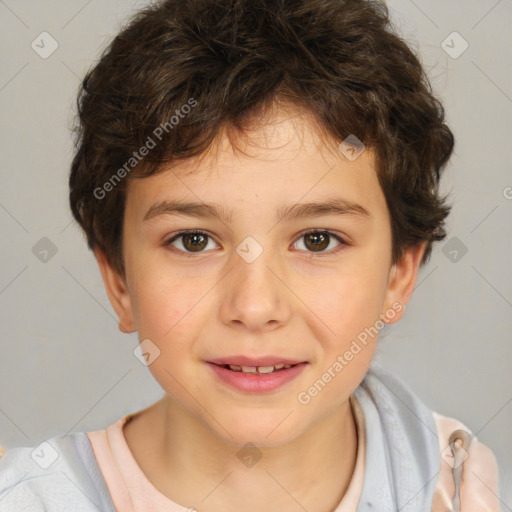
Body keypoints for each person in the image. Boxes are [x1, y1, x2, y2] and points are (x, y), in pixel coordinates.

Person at [0, 0, 502, 510]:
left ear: (399, 274)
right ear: (120, 281)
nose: (255, 306)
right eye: (194, 240)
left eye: (317, 240)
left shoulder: (454, 481)